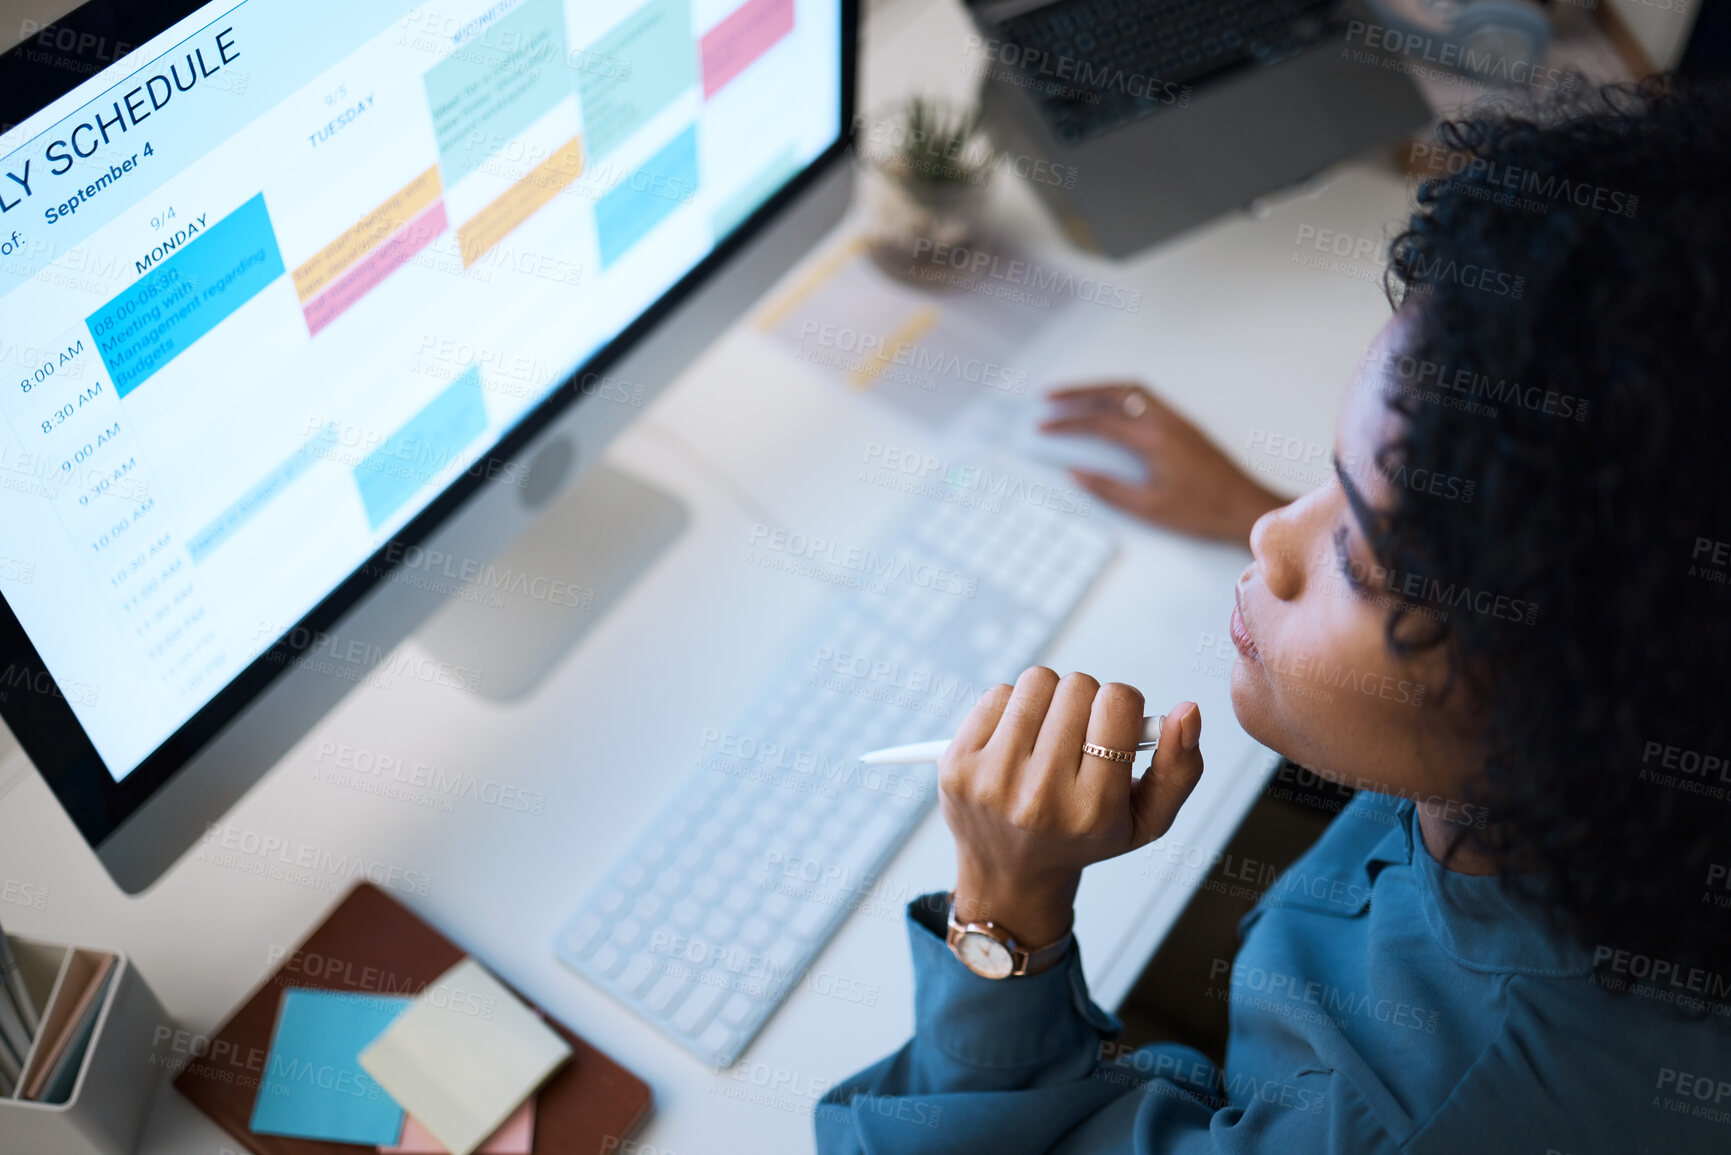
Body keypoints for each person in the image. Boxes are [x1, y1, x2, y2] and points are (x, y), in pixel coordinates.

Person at [815, 78, 1731, 1153]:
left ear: (1580, 702)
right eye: (1330, 481)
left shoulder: (1422, 1118)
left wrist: (1004, 916)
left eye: (1357, 552)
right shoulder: (1645, 753)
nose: (1271, 538)